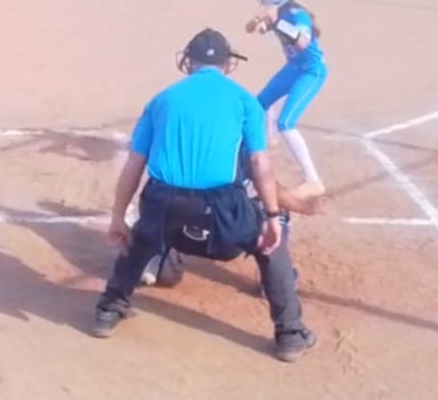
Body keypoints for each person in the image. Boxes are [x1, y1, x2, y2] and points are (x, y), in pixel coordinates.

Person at [91, 28, 316, 363]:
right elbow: (258, 164)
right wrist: (271, 215)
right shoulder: (245, 102)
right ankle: (290, 334)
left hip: (165, 211)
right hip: (224, 215)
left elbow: (134, 166)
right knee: (272, 236)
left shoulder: (161, 100)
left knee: (141, 235)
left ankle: (109, 309)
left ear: (188, 61)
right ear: (228, 63)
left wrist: (117, 218)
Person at [245, 0, 329, 206]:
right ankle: (268, 138)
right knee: (258, 104)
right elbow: (251, 30)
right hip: (294, 68)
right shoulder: (280, 11)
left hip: (311, 72)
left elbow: (302, 42)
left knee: (287, 122)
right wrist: (260, 21)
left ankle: (313, 181)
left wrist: (276, 22)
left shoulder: (298, 15)